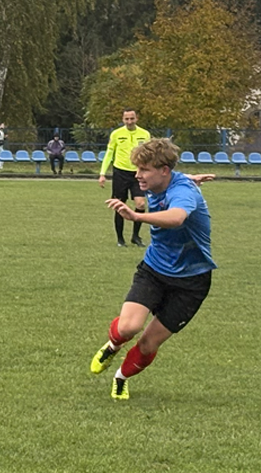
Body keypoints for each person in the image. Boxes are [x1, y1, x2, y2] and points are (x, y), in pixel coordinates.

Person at [89, 138, 216, 400]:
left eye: (144, 169)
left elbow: (177, 217)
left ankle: (121, 378)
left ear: (164, 170)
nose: (138, 175)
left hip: (192, 282)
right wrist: (188, 177)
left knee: (148, 344)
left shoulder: (184, 192)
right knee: (128, 327)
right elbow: (173, 179)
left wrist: (137, 217)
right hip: (155, 269)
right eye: (138, 168)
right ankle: (113, 346)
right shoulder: (160, 180)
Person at [99, 108, 151, 247]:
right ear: (123, 120)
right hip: (120, 173)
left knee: (140, 204)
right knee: (119, 205)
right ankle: (120, 239)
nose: (129, 121)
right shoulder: (116, 134)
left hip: (137, 173)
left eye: (132, 118)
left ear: (136, 118)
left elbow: (149, 155)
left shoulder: (145, 134)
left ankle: (135, 236)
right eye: (126, 119)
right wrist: (102, 173)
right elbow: (109, 153)